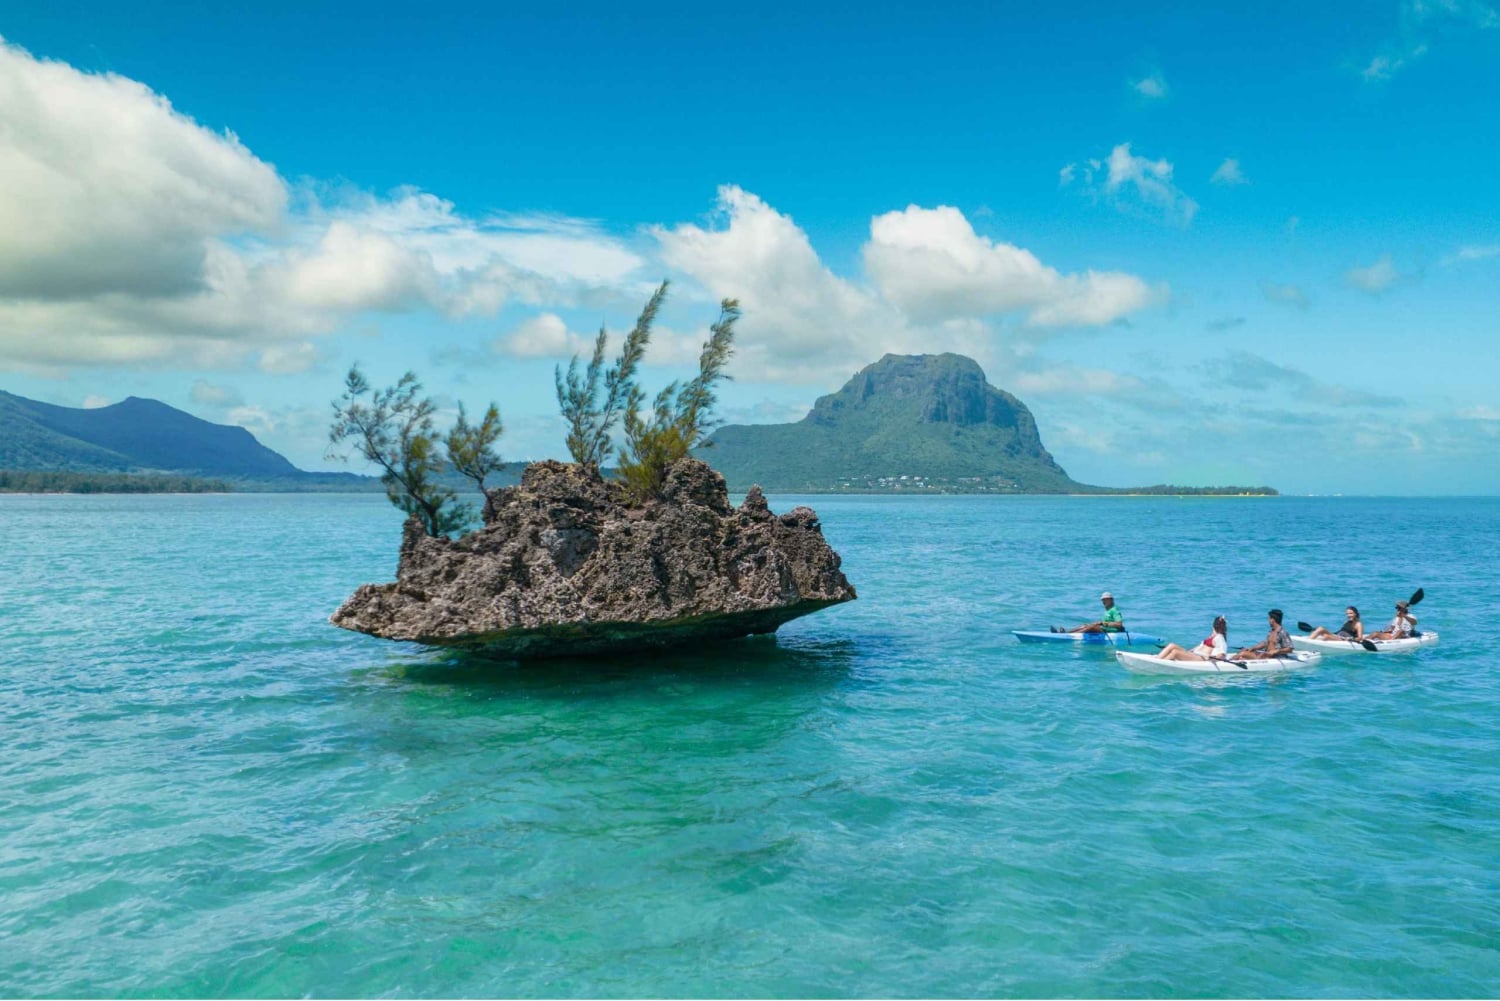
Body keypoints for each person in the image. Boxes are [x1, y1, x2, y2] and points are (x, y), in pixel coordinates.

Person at [1156, 616, 1228, 662]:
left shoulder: (1219, 637)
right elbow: (1200, 646)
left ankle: (1161, 664)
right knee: (1172, 645)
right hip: (1195, 654)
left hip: (1201, 658)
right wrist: (1189, 651)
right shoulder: (1212, 636)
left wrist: (1214, 658)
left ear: (1213, 625)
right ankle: (1157, 659)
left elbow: (1222, 653)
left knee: (1175, 652)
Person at [1057, 592, 1124, 634]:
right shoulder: (1108, 610)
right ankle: (1066, 633)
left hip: (1111, 632)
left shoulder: (1114, 610)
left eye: (1106, 600)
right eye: (1103, 600)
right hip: (1105, 630)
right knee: (1085, 625)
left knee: (1092, 627)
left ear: (1111, 600)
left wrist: (1104, 623)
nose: (1103, 602)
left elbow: (1119, 624)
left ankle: (1071, 636)